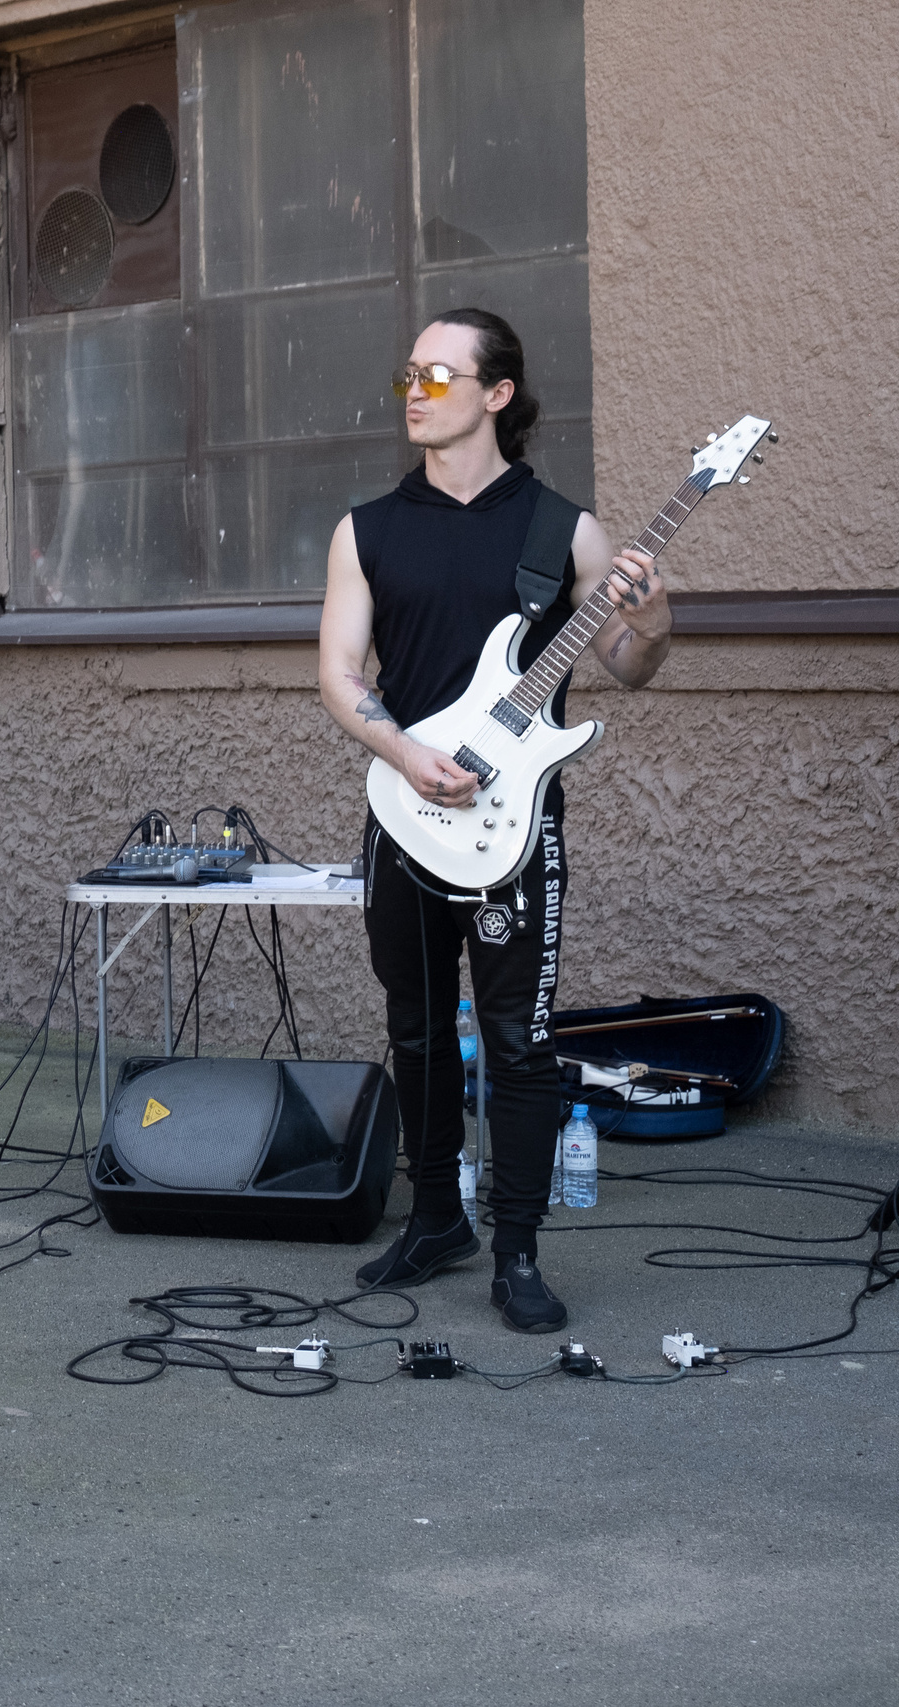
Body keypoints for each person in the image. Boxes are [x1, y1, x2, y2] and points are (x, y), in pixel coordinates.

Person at [317, 310, 672, 1333]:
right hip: (404, 813)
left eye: (438, 375)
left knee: (518, 1041)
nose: (415, 392)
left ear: (497, 394)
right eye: (408, 376)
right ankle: (435, 1219)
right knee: (418, 1030)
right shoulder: (365, 530)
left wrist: (651, 615)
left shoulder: (564, 532)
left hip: (517, 827)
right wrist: (401, 752)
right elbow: (339, 673)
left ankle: (516, 1251)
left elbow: (629, 666)